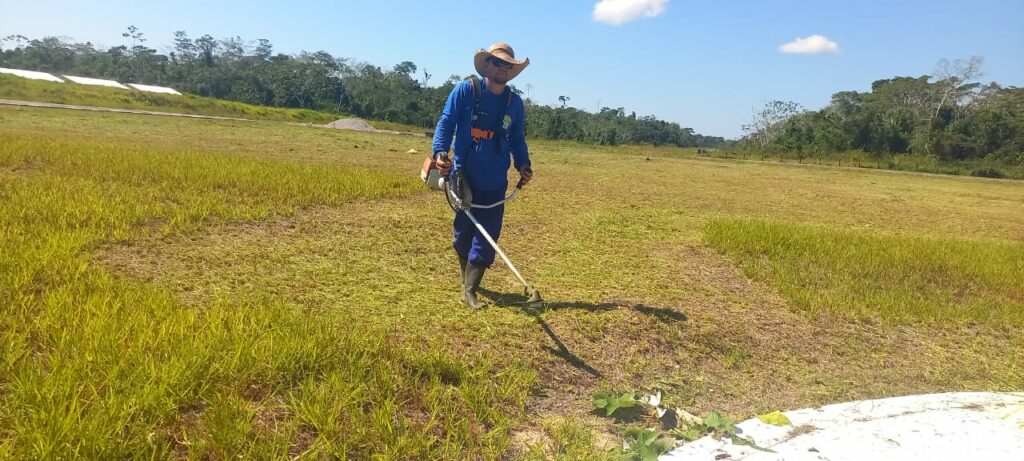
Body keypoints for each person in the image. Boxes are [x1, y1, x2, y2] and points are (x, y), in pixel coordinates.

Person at [432, 42, 534, 309]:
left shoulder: (514, 103)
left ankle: (470, 290)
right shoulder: (466, 90)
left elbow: (517, 138)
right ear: (487, 65)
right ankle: (466, 279)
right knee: (463, 231)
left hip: (495, 177)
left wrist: (523, 164)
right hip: (464, 171)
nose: (503, 68)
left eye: (508, 65)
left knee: (489, 231)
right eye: (498, 63)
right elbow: (446, 122)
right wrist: (440, 152)